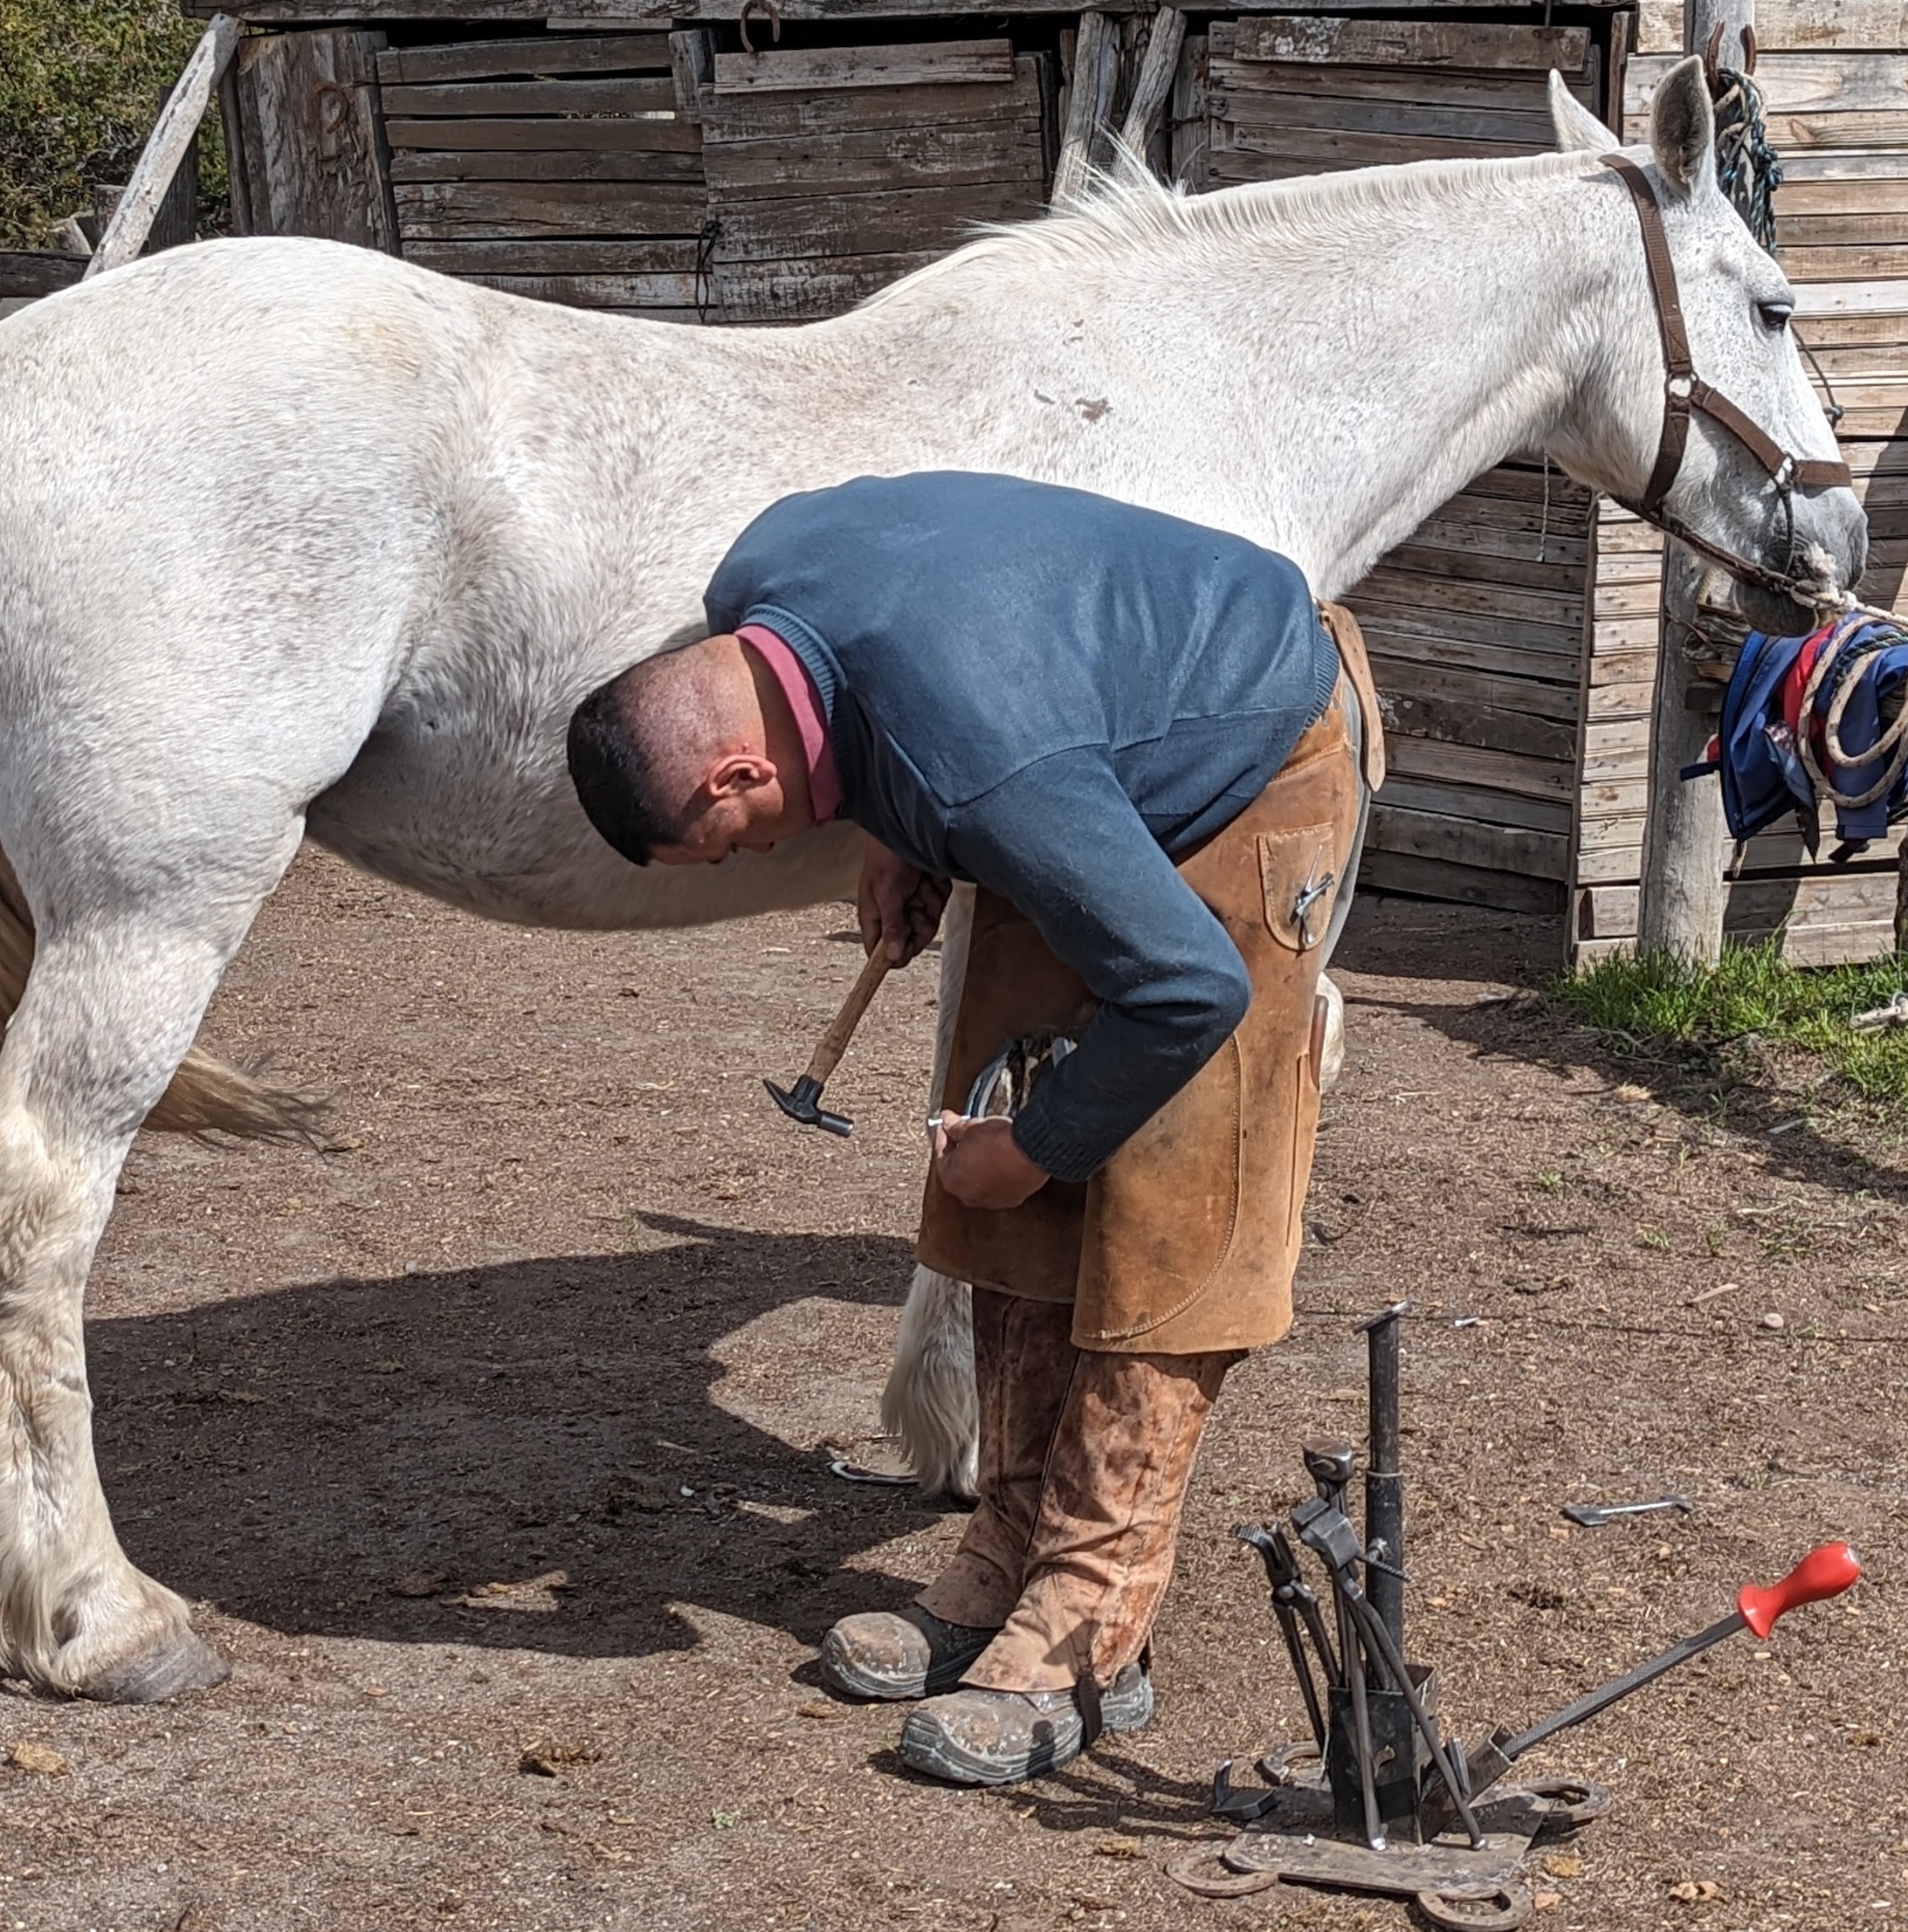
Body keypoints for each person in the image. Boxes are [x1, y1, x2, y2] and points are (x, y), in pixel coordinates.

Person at [565, 472, 1381, 1787]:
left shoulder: (985, 765)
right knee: (994, 1121)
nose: (739, 866)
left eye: (725, 843)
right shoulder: (755, 587)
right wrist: (891, 824)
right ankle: (1009, 1541)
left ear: (738, 766)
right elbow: (896, 695)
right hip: (1044, 744)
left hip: (1246, 758)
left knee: (1168, 1191)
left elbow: (1191, 987)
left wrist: (1047, 1148)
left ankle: (1087, 1621)